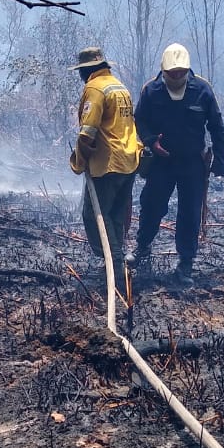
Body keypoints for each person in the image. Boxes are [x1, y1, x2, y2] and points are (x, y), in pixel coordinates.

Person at [129, 42, 224, 285]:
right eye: (172, 74)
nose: (176, 77)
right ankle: (142, 247)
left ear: (187, 70)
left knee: (190, 212)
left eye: (180, 73)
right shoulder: (151, 91)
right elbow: (140, 120)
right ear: (163, 71)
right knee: (151, 205)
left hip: (192, 164)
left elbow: (216, 127)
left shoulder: (203, 90)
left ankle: (186, 262)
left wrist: (220, 161)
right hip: (162, 163)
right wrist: (152, 142)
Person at [67, 46, 143, 292]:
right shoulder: (120, 87)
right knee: (116, 215)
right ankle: (116, 264)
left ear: (88, 70)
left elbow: (88, 131)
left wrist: (78, 161)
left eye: (82, 71)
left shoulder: (95, 88)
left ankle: (116, 266)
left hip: (107, 164)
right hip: (128, 160)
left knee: (95, 215)